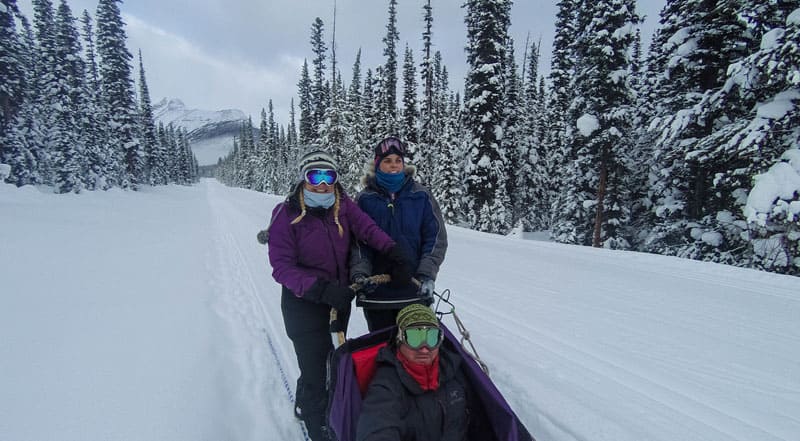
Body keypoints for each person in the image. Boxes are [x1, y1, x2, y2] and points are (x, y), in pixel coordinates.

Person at [260, 149, 412, 441]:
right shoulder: (286, 213)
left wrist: (393, 251)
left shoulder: (343, 205)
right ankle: (318, 424)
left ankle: (317, 402)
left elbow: (368, 230)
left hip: (337, 301)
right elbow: (281, 267)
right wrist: (319, 288)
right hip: (303, 302)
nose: (322, 183)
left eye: (329, 175)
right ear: (303, 178)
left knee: (331, 360)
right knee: (315, 366)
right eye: (314, 175)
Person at [350, 136, 448, 331]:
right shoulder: (364, 199)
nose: (393, 165)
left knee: (417, 349)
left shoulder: (421, 195)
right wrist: (361, 275)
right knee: (382, 350)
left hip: (414, 288)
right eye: (387, 161)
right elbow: (358, 243)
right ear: (377, 165)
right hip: (377, 291)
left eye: (398, 160)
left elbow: (436, 238)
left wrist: (426, 275)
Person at [356, 304, 475, 441]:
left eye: (431, 337)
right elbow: (377, 428)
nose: (424, 349)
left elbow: (481, 422)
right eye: (414, 338)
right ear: (399, 339)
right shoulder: (386, 386)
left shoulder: (454, 370)